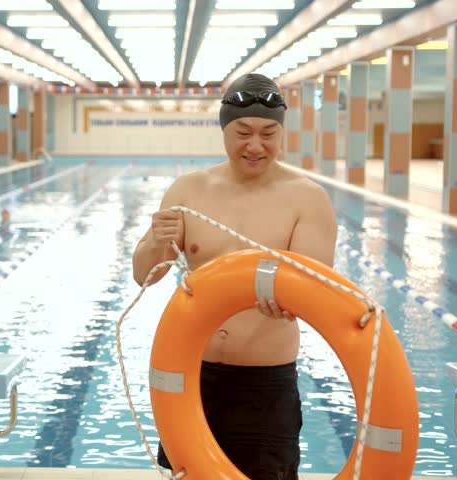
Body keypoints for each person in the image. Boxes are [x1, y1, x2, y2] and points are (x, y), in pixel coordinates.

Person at [131, 73, 338, 480]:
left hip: (264, 383)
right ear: (224, 129)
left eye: (268, 133)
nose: (255, 146)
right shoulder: (188, 190)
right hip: (192, 374)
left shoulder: (307, 199)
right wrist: (157, 241)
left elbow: (313, 292)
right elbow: (144, 276)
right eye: (243, 133)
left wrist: (290, 302)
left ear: (281, 132)